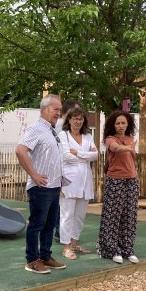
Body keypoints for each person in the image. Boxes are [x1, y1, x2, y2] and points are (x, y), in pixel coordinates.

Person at [15, 95, 68, 274]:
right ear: (44, 109)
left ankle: (45, 256)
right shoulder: (36, 128)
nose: (58, 113)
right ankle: (32, 260)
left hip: (54, 186)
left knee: (50, 224)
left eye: (59, 110)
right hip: (41, 187)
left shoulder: (52, 130)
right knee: (37, 224)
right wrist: (33, 174)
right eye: (56, 109)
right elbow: (20, 150)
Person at [97, 110, 139, 264]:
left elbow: (132, 160)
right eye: (117, 123)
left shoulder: (130, 139)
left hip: (131, 180)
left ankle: (127, 248)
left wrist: (135, 173)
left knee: (129, 215)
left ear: (128, 124)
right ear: (113, 125)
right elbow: (115, 148)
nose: (121, 126)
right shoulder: (110, 139)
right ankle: (111, 249)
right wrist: (128, 148)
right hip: (115, 180)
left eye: (123, 123)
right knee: (112, 215)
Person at [58, 107, 98, 260]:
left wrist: (79, 153)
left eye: (80, 119)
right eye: (75, 118)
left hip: (85, 181)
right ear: (69, 120)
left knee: (80, 215)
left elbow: (95, 155)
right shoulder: (63, 135)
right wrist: (85, 156)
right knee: (67, 214)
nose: (78, 121)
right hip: (69, 181)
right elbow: (66, 156)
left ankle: (74, 243)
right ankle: (66, 247)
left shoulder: (87, 136)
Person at [53, 99, 80, 242]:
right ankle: (60, 231)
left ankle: (60, 231)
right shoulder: (61, 126)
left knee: (62, 201)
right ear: (68, 111)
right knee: (63, 202)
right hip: (61, 167)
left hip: (63, 167)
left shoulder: (61, 125)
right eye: (75, 111)